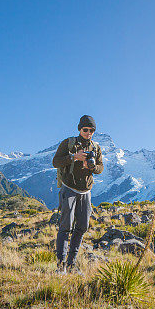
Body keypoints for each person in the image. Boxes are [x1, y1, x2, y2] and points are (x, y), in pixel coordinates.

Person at [52, 115, 104, 273]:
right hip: (69, 189)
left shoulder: (95, 147)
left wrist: (92, 167)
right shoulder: (69, 143)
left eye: (92, 130)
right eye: (85, 129)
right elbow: (56, 162)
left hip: (86, 191)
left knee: (81, 227)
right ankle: (61, 267)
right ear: (79, 129)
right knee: (65, 227)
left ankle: (71, 265)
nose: (89, 132)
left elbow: (101, 168)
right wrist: (73, 157)